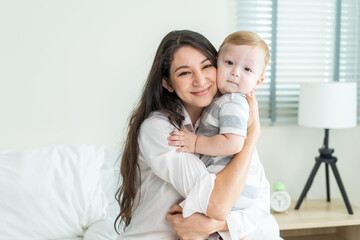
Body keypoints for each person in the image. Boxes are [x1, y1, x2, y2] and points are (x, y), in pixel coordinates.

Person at [115, 30, 265, 239]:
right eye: (185, 73)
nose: (200, 80)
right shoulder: (159, 129)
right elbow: (217, 204)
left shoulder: (229, 120)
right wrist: (252, 137)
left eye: (206, 66)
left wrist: (215, 225)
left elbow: (260, 206)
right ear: (167, 83)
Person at [167, 31, 270, 239]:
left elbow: (232, 143)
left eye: (247, 69)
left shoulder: (234, 102)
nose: (235, 73)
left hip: (233, 193)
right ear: (218, 63)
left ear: (257, 82)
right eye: (229, 62)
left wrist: (195, 143)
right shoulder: (222, 102)